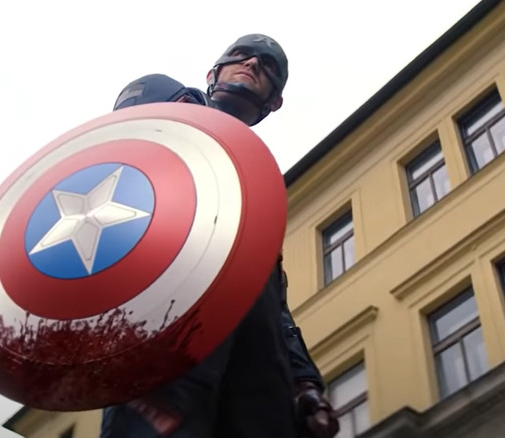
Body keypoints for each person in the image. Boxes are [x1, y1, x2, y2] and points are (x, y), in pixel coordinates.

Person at [101, 34, 340, 438]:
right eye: (240, 57)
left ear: (273, 102)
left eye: (267, 67)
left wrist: (304, 381)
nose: (251, 65)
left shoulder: (256, 189)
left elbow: (273, 304)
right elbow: (110, 166)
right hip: (166, 328)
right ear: (213, 73)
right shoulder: (164, 99)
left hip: (257, 372)